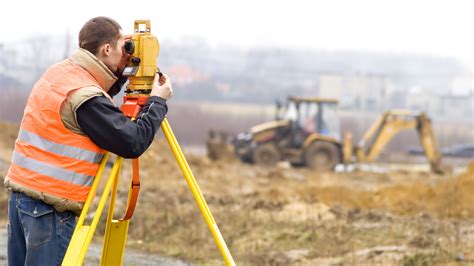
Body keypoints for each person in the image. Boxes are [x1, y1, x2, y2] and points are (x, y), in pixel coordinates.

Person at [3, 16, 173, 265]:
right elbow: (132, 143)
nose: (125, 51)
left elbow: (95, 100)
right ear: (106, 49)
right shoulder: (86, 97)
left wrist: (122, 72)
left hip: (22, 200)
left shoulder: (60, 72)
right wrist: (158, 102)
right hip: (49, 209)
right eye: (121, 46)